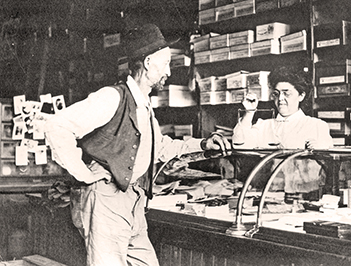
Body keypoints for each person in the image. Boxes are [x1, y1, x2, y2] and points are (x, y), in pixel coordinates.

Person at [44, 23, 230, 266]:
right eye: (166, 65)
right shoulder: (112, 97)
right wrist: (83, 175)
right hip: (107, 201)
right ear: (149, 62)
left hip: (133, 201)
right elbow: (57, 126)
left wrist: (203, 145)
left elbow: (160, 147)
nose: (169, 73)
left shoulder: (143, 105)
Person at [232, 66, 333, 195]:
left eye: (286, 93)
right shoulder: (263, 125)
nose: (280, 99)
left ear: (301, 95)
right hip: (269, 196)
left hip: (306, 197)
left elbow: (330, 166)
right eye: (277, 93)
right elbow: (239, 146)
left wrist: (322, 152)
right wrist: (249, 112)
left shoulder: (316, 125)